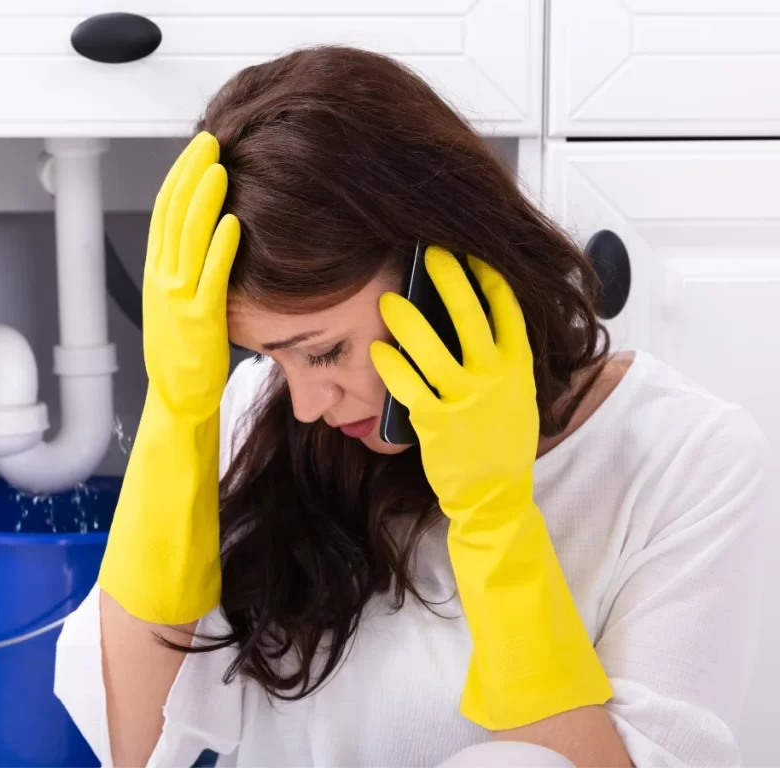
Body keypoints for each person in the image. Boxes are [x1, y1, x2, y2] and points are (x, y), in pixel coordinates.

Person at [53, 46, 769, 767]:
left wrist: (495, 520)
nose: (304, 403)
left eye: (325, 351)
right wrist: (178, 417)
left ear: (443, 278)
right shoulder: (256, 415)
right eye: (268, 356)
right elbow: (137, 744)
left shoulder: (694, 461)